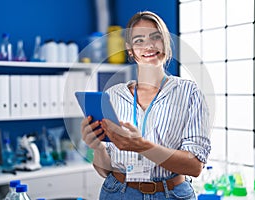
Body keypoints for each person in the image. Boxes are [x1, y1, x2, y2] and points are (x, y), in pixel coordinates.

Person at [81, 11, 211, 200]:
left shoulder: (189, 93)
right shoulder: (113, 96)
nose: (148, 45)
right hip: (118, 193)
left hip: (172, 194)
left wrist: (142, 146)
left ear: (165, 42)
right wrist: (97, 147)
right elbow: (104, 170)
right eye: (139, 40)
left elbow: (195, 166)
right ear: (130, 50)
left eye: (155, 37)